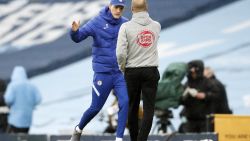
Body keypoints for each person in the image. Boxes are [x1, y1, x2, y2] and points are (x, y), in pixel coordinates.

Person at [69, 0, 129, 141]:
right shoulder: (97, 22)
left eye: (121, 8)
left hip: (120, 73)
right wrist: (74, 31)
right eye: (116, 7)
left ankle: (119, 138)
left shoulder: (126, 23)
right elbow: (78, 38)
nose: (119, 10)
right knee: (95, 108)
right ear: (109, 6)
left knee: (125, 102)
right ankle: (78, 130)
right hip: (103, 74)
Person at [116, 0, 161, 140]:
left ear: (131, 9)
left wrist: (123, 67)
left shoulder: (125, 27)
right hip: (151, 70)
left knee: (132, 108)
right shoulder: (156, 26)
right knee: (149, 110)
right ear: (146, 7)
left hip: (132, 71)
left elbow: (120, 53)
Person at [179, 60, 220, 133]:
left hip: (204, 119)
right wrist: (184, 96)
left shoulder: (207, 82)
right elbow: (181, 100)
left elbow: (217, 95)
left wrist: (205, 95)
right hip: (190, 119)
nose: (193, 74)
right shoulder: (187, 83)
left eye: (195, 71)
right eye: (191, 71)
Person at [4, 66, 41, 134]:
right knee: (24, 136)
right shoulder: (32, 86)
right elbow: (38, 99)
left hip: (15, 120)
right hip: (27, 119)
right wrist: (31, 104)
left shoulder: (12, 85)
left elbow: (8, 99)